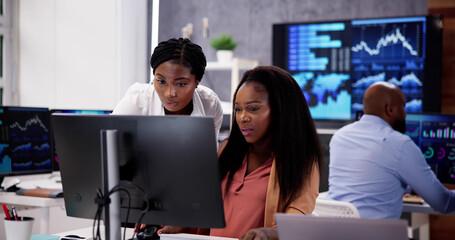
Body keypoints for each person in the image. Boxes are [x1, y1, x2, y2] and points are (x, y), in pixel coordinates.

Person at [209, 65, 323, 239]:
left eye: (253, 109)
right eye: (238, 109)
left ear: (281, 110)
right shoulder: (227, 150)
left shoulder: (303, 161)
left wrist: (270, 233)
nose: (242, 118)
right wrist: (178, 227)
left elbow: (297, 220)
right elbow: (204, 211)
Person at [327, 81, 455, 219]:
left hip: (335, 233)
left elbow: (372, 180)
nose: (405, 113)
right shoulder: (399, 144)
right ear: (390, 109)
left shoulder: (339, 137)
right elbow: (443, 202)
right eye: (403, 106)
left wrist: (411, 187)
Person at [113, 38, 223, 140]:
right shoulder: (137, 99)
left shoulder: (210, 104)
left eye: (180, 84)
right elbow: (108, 145)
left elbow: (207, 156)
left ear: (197, 82)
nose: (169, 93)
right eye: (161, 81)